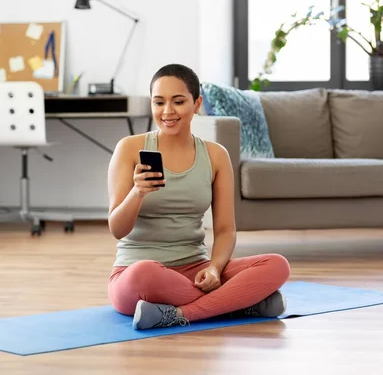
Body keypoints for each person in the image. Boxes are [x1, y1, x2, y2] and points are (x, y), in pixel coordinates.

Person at [106, 63, 290, 330]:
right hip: (138, 274)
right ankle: (239, 305)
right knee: (142, 274)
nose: (167, 111)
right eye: (159, 102)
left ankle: (180, 314)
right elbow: (117, 229)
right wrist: (137, 192)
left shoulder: (216, 155)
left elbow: (226, 229)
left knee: (276, 265)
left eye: (178, 101)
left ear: (197, 103)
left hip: (196, 270)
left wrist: (215, 269)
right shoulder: (129, 148)